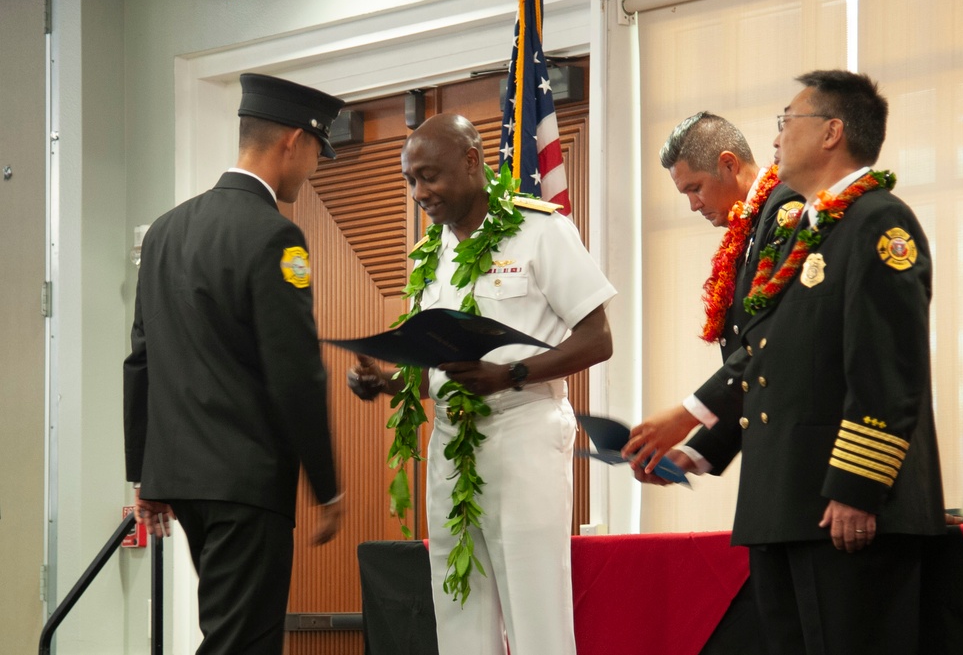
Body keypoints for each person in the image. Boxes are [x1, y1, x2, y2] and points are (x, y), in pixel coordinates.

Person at [645, 70, 945, 654]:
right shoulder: (810, 230)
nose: (776, 139)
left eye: (787, 122)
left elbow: (889, 369)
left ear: (832, 131)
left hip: (846, 511)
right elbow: (771, 360)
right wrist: (700, 445)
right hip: (793, 505)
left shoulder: (879, 222)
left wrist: (858, 487)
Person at [347, 113, 615, 655]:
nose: (420, 192)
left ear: (472, 162)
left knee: (534, 604)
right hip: (451, 442)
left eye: (430, 176)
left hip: (524, 431)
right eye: (411, 181)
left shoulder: (539, 229)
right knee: (459, 604)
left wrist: (511, 373)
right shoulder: (434, 251)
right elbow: (442, 368)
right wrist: (389, 380)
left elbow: (597, 339)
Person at [123, 73, 345, 654]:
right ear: (293, 142)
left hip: (182, 479)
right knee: (243, 643)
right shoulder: (276, 237)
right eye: (319, 152)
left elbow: (142, 357)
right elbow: (296, 371)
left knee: (229, 633)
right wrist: (326, 486)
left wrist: (146, 472)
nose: (315, 169)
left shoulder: (166, 232)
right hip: (245, 482)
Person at [628, 112, 803, 479]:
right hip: (776, 455)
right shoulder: (752, 225)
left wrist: (686, 414)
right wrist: (694, 453)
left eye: (695, 188)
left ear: (728, 164)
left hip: (800, 453)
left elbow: (771, 344)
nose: (693, 204)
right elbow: (753, 373)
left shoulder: (786, 212)